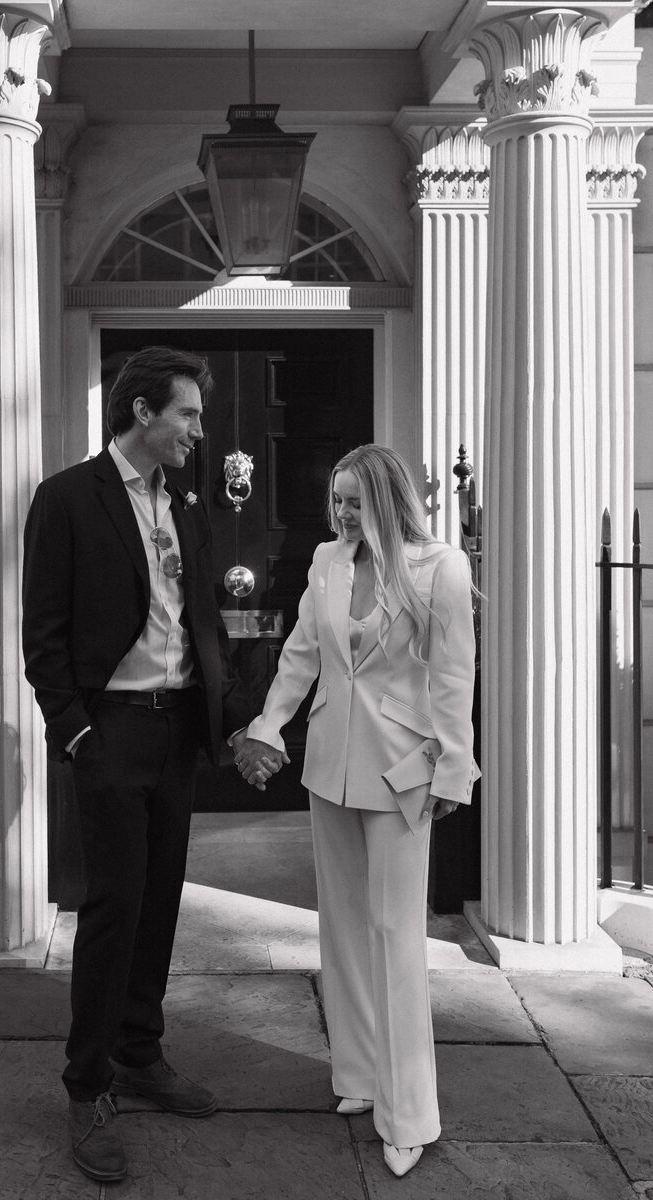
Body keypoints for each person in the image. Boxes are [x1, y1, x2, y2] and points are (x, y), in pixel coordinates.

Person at [22, 346, 260, 1183]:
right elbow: (43, 636)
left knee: (160, 903)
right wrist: (78, 732)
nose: (200, 429)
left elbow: (202, 623)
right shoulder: (66, 499)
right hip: (112, 732)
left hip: (175, 734)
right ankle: (87, 1088)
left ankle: (139, 1054)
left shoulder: (186, 503)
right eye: (189, 414)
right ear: (142, 413)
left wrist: (230, 722)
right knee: (113, 910)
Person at [234, 444, 479, 1178]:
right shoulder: (326, 561)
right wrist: (268, 725)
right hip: (329, 770)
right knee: (341, 930)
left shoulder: (441, 567)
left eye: (353, 501)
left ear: (385, 498)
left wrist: (454, 771)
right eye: (335, 501)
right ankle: (361, 1076)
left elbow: (454, 676)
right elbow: (303, 655)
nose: (341, 514)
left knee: (395, 935)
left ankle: (409, 1115)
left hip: (405, 772)